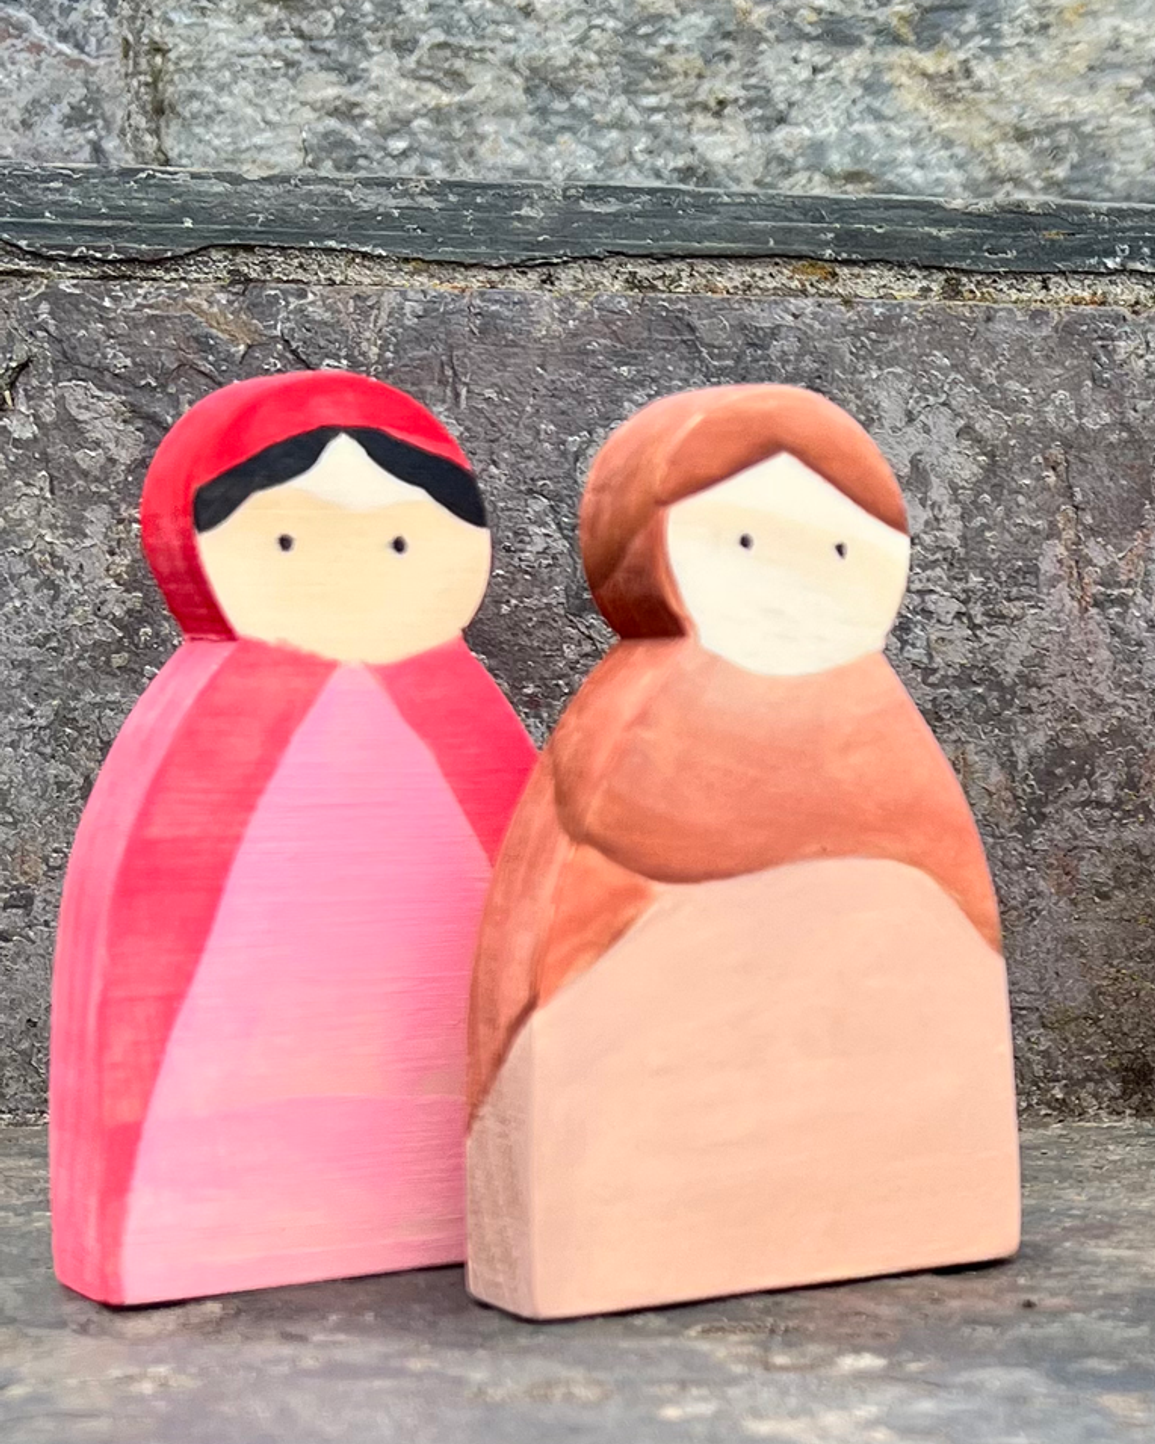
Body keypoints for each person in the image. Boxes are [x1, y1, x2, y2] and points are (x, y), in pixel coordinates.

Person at [465, 385, 1018, 1318]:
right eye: (749, 542)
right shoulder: (638, 727)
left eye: (843, 547)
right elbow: (581, 923)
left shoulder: (882, 732)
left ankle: (906, 1197)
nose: (798, 572)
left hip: (877, 1113)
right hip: (646, 1142)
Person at [53, 372, 534, 1303]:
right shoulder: (212, 718)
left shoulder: (465, 715)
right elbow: (151, 948)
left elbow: (522, 902)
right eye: (287, 537)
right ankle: (188, 1218)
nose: (358, 564)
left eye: (401, 538)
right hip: (222, 1135)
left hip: (457, 1163)